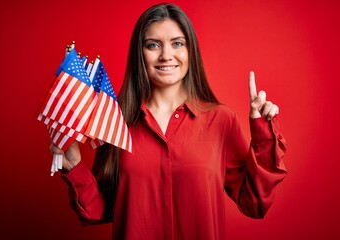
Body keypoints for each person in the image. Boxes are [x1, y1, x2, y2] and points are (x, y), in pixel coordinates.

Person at [50, 3, 287, 240]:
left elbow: (254, 203)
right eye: (153, 45)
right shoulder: (115, 120)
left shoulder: (221, 120)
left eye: (177, 43)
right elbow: (99, 211)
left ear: (190, 51)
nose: (166, 55)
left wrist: (263, 136)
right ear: (139, 54)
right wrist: (73, 165)